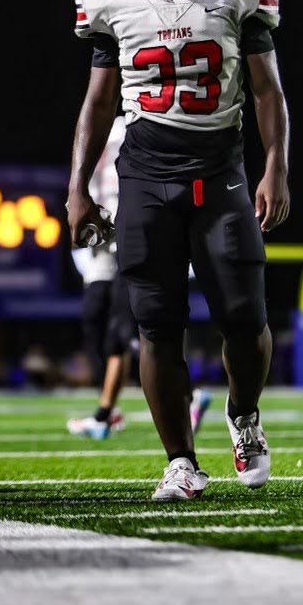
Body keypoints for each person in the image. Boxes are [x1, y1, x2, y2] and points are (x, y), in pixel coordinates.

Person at [67, 0, 290, 501]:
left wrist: (275, 164)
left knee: (245, 318)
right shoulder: (109, 0)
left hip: (220, 172)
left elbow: (269, 92)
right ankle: (180, 462)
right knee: (155, 324)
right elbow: (96, 105)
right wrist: (78, 186)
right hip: (144, 174)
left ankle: (243, 414)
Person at [67, 115, 213, 439]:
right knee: (95, 317)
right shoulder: (100, 126)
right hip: (103, 232)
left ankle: (107, 413)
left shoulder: (147, 121)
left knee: (129, 329)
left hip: (134, 229)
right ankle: (124, 405)